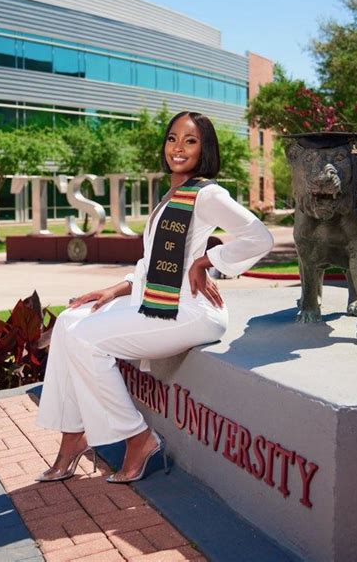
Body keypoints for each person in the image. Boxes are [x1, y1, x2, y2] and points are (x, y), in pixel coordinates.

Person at [36, 111, 274, 483]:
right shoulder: (173, 193)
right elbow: (154, 261)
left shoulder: (206, 193)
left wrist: (208, 260)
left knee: (86, 339)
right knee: (69, 322)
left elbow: (260, 236)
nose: (178, 147)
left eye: (190, 140)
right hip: (160, 301)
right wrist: (116, 288)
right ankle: (74, 437)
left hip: (191, 311)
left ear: (204, 148)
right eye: (172, 138)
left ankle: (139, 438)